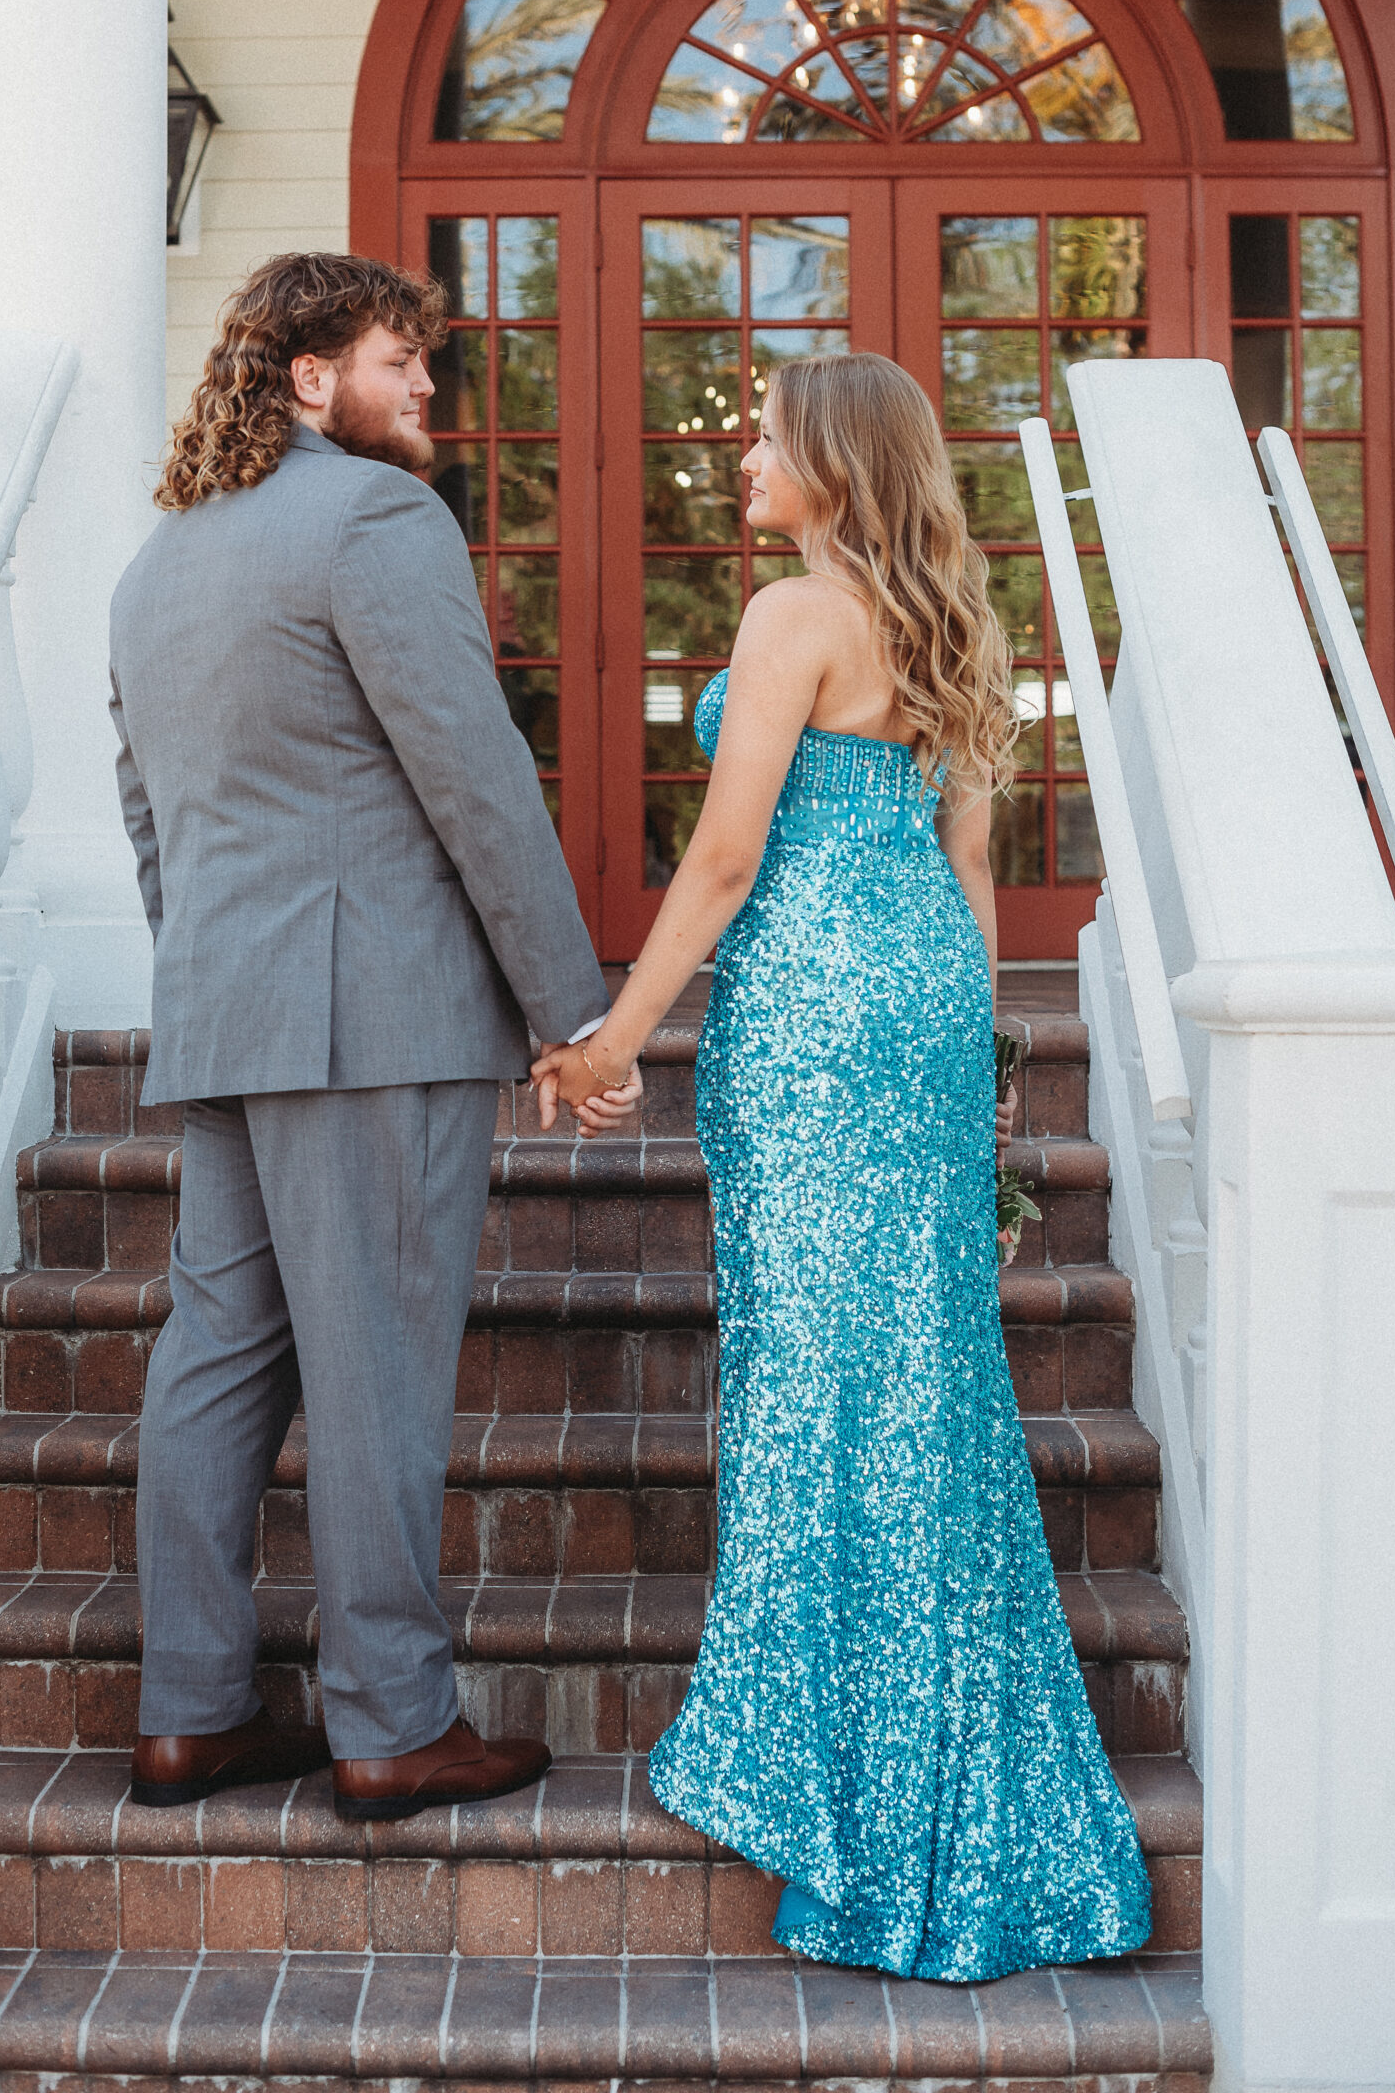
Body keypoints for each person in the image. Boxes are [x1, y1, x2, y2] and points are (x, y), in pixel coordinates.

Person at [534, 351, 1152, 1978]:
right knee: (924, 1382)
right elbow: (967, 869)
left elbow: (729, 853)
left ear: (832, 464)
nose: (743, 461)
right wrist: (978, 1073)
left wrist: (613, 1035)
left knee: (818, 1375)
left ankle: (839, 1784)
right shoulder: (959, 622)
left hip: (810, 1009)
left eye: (763, 443)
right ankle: (931, 1760)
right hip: (926, 1007)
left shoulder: (791, 616)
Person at [109, 252, 638, 1822]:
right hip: (375, 1019)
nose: (427, 390)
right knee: (376, 1378)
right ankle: (393, 1724)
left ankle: (190, 1713)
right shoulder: (377, 518)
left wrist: (212, 972)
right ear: (306, 377)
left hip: (227, 1007)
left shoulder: (158, 563)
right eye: (400, 360)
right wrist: (570, 1011)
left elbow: (147, 818)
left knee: (215, 1364)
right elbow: (472, 771)